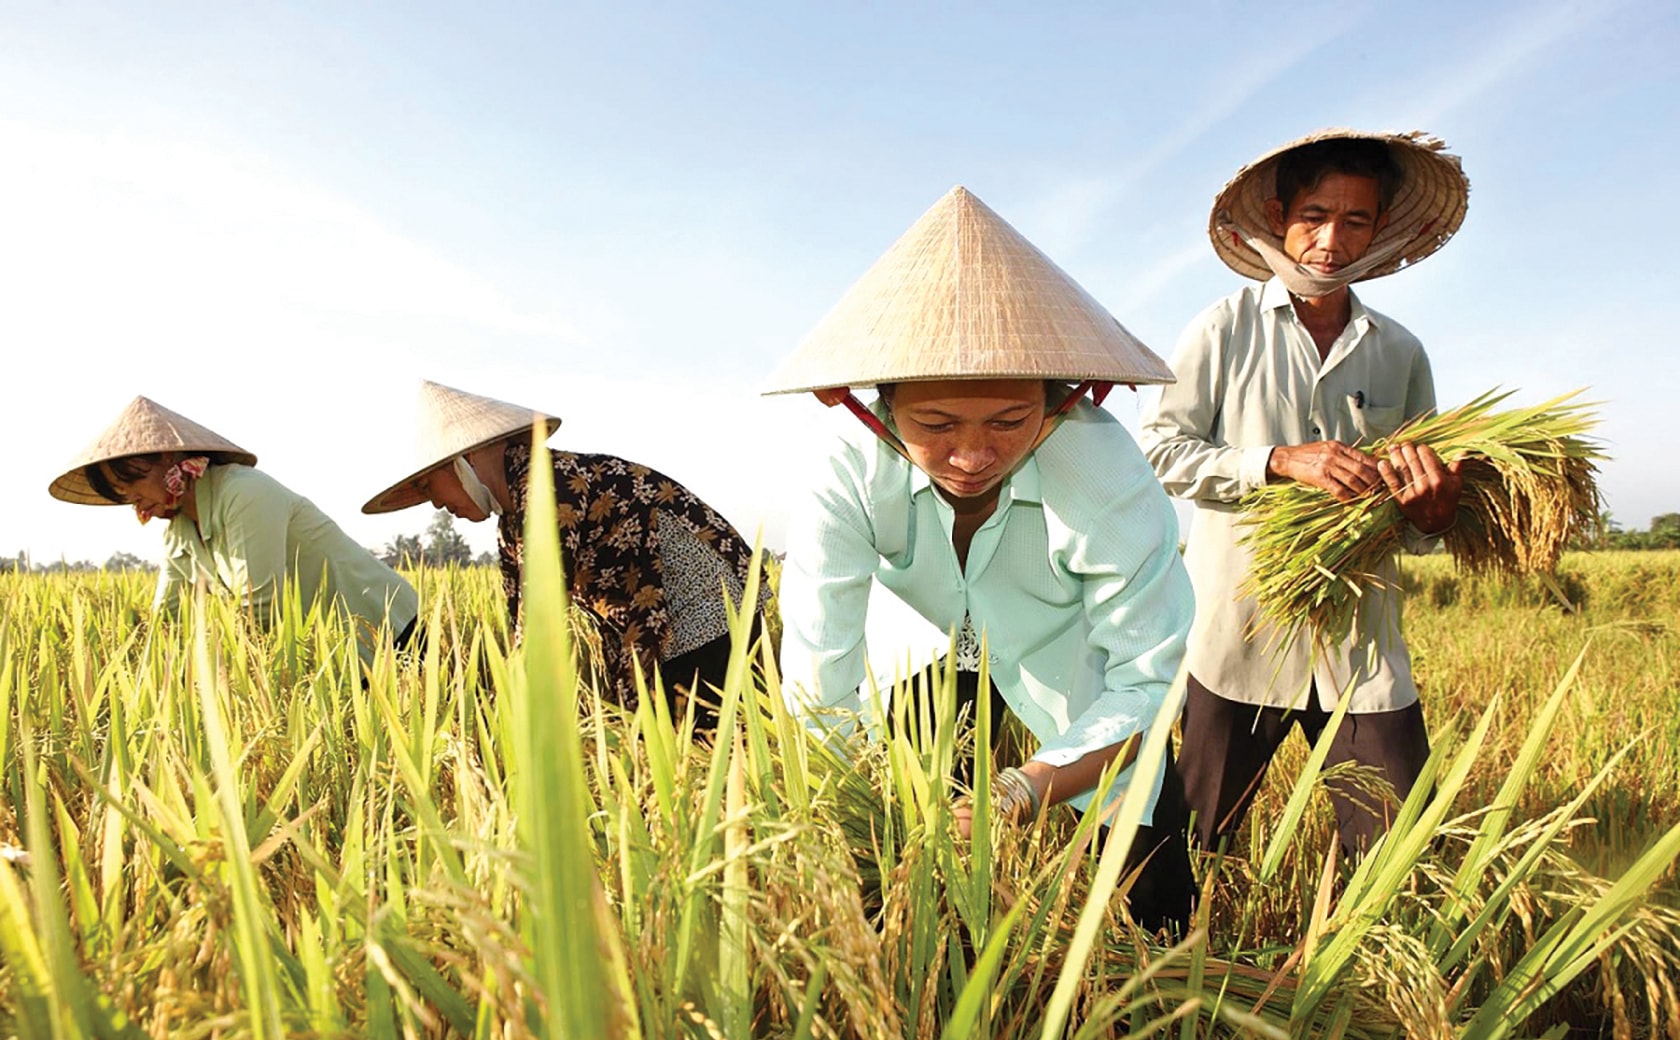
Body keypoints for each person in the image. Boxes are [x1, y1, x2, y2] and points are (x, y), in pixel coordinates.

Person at [771, 186, 1197, 933]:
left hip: (1072, 664)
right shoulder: (842, 473)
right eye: (934, 424)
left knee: (1144, 899)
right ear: (877, 409)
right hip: (931, 655)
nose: (972, 456)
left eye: (1010, 421)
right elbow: (820, 674)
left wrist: (1030, 786)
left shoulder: (1105, 478)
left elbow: (1147, 683)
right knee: (896, 870)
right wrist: (849, 811)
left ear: (1061, 402)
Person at [1138, 129, 1471, 855]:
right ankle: (1183, 966)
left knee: (1399, 857)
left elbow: (1414, 523)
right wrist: (1278, 462)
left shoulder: (1399, 350)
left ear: (1380, 230)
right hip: (1239, 635)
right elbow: (1159, 452)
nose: (1330, 239)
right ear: (1279, 215)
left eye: (1356, 221)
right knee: (1192, 850)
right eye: (1315, 215)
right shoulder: (1223, 330)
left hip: (1361, 644)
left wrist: (1432, 514)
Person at [363, 380, 767, 722]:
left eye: (431, 487)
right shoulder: (514, 513)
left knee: (706, 739)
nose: (436, 505)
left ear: (464, 462)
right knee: (660, 732)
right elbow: (523, 618)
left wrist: (509, 707)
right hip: (661, 616)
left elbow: (542, 618)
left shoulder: (547, 486)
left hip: (705, 606)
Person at [49, 396, 419, 664]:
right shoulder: (178, 532)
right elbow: (170, 617)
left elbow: (261, 605)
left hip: (389, 632)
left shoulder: (243, 492)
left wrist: (226, 672)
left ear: (166, 458)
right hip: (329, 659)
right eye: (126, 500)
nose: (138, 507)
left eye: (136, 487)